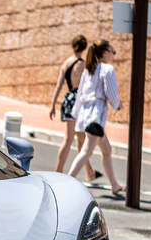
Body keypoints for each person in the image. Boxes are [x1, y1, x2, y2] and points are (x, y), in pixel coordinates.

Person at [68, 39, 123, 195]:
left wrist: (76, 114)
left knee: (107, 149)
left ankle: (114, 185)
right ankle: (66, 181)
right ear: (105, 53)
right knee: (86, 151)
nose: (114, 54)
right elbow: (111, 92)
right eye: (113, 51)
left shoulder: (88, 70)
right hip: (95, 118)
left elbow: (80, 95)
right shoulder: (107, 69)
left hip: (86, 116)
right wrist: (117, 104)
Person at [49, 35, 100, 181]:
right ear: (84, 48)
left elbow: (59, 85)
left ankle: (89, 171)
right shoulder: (83, 64)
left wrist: (53, 104)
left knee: (77, 138)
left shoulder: (66, 64)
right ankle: (58, 172)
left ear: (72, 46)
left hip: (67, 100)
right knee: (73, 138)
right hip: (78, 102)